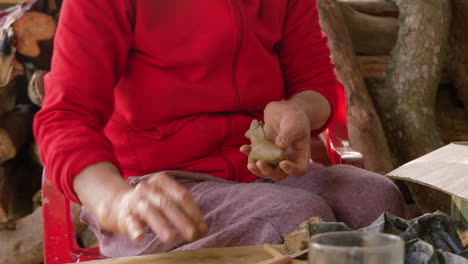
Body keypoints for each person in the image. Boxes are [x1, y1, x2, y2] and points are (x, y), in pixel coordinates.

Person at [33, 0, 405, 258]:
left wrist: (297, 110)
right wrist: (114, 200)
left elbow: (315, 81)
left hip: (259, 179)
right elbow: (65, 115)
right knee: (296, 221)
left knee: (376, 200)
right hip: (152, 191)